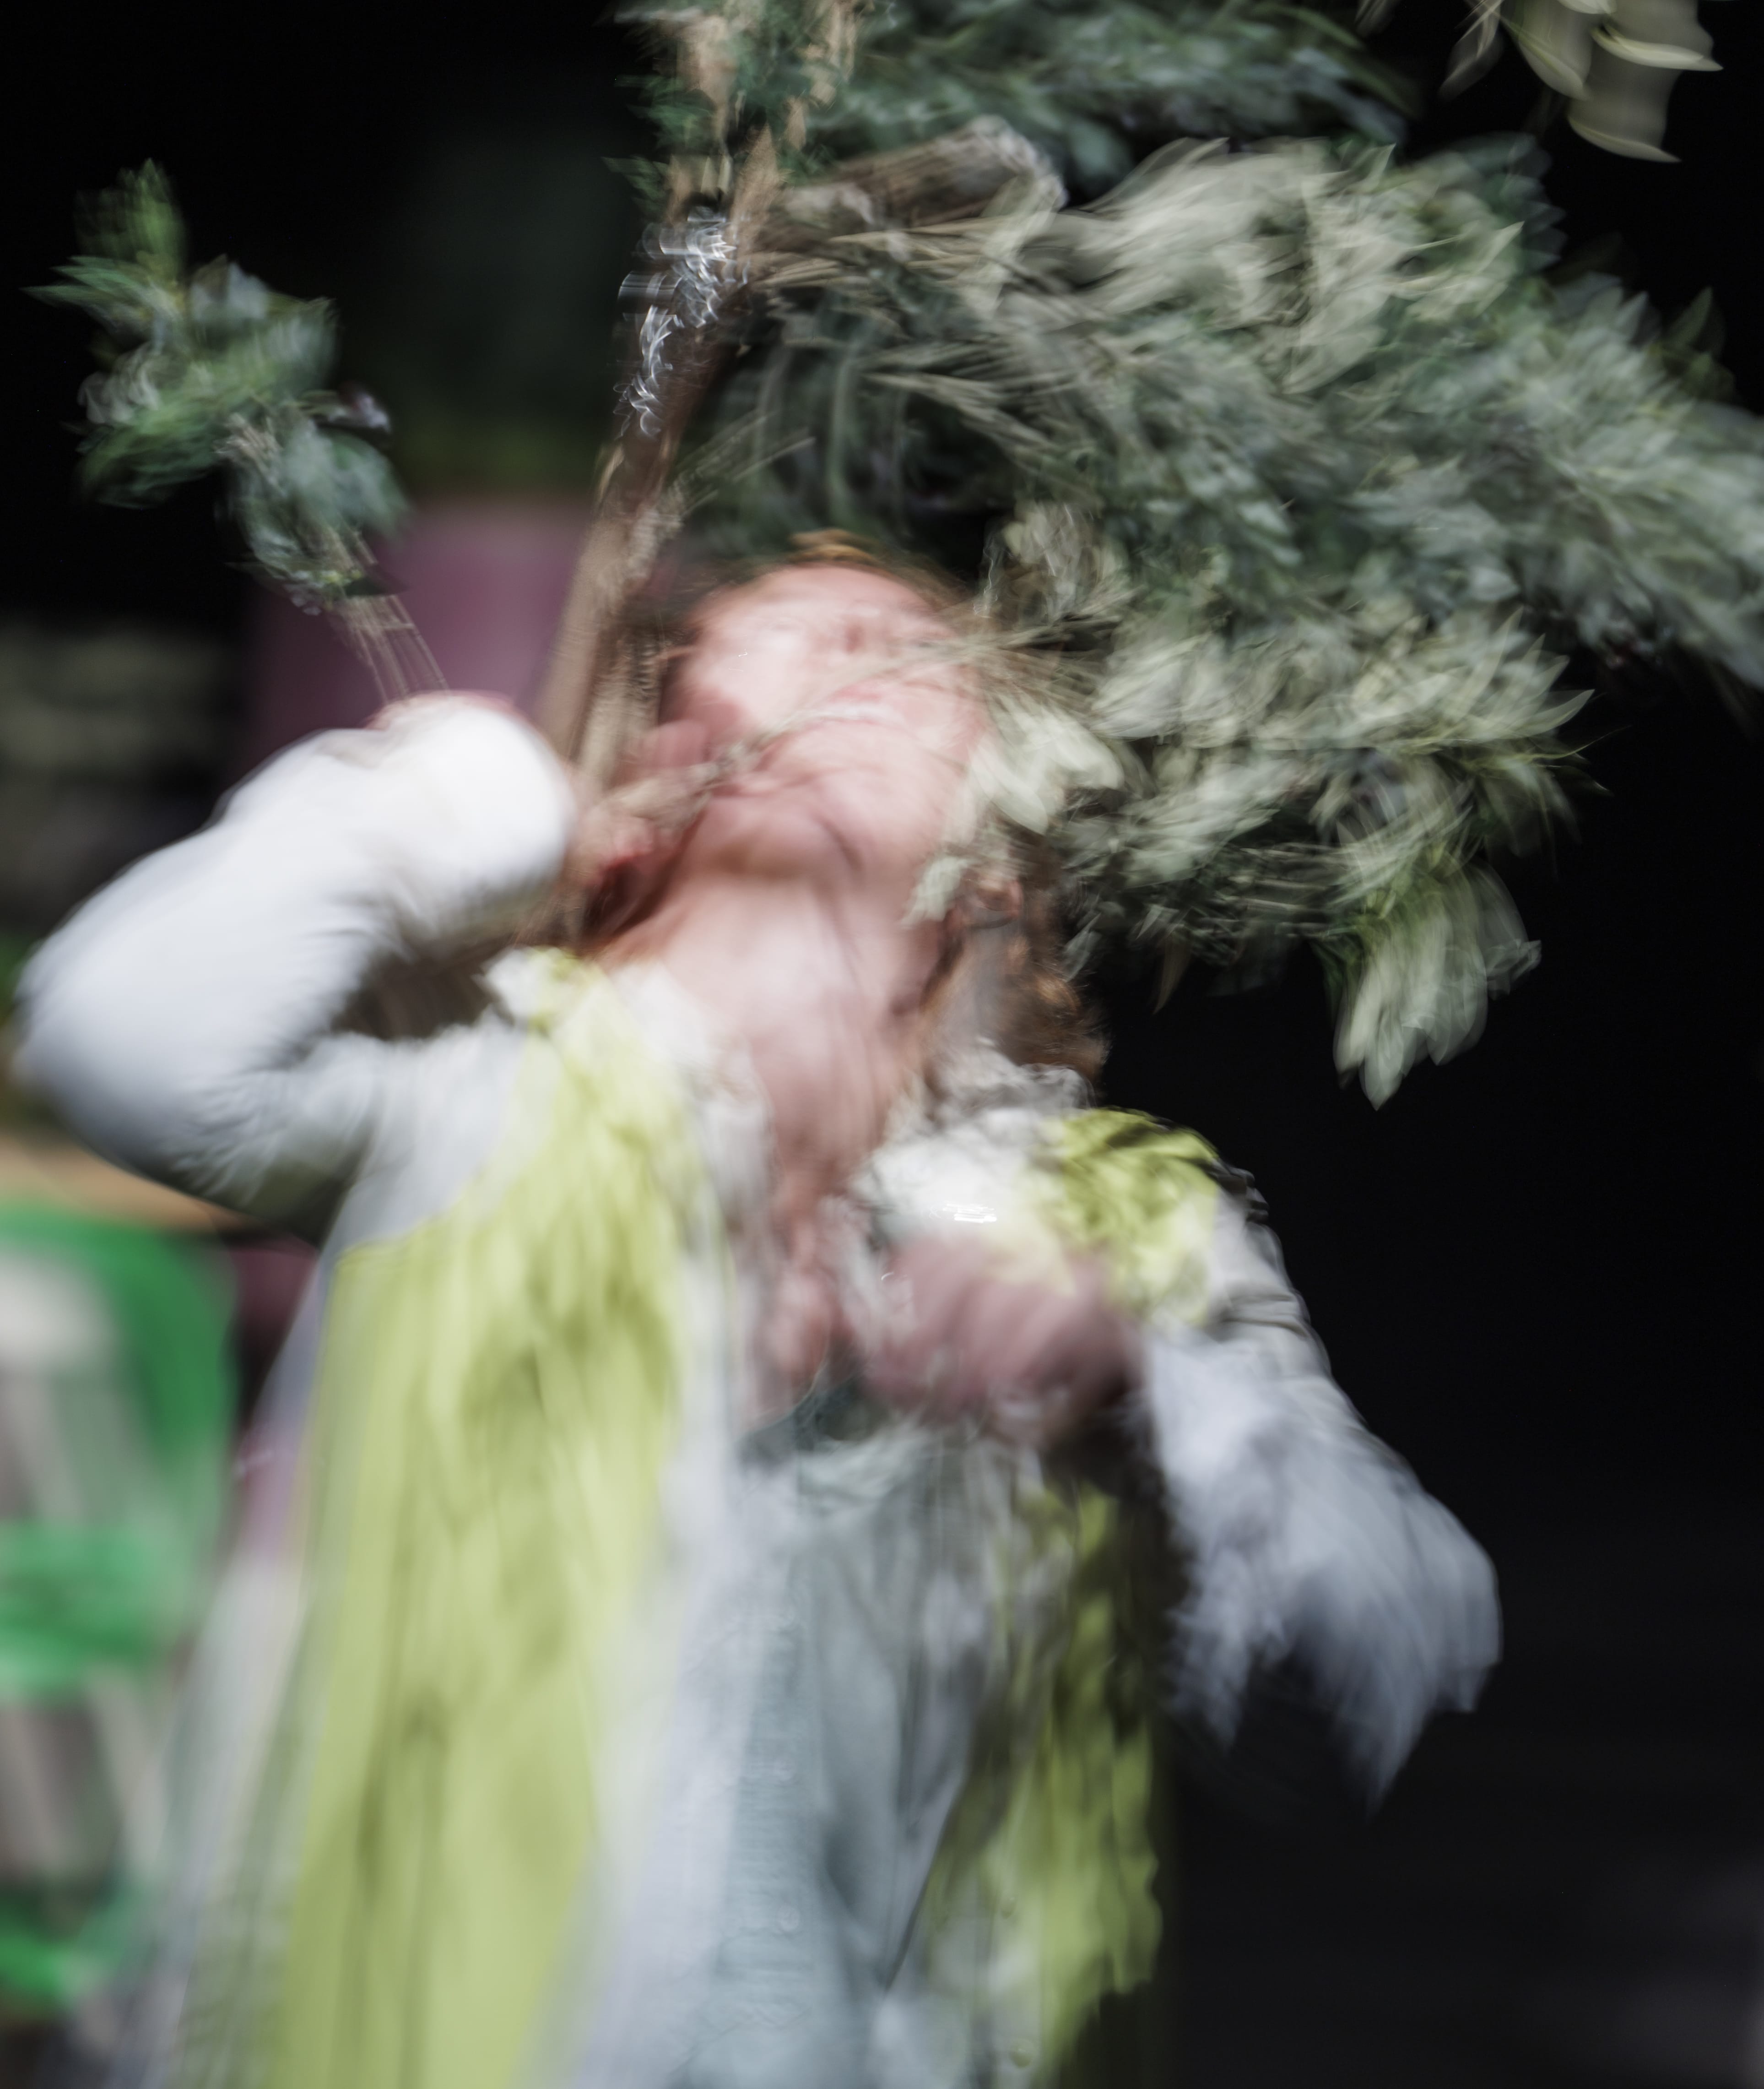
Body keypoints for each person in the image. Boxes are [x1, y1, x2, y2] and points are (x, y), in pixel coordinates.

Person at [17, 550, 1498, 2089]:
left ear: (999, 848)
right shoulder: (476, 1090)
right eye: (758, 649)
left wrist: (1134, 1388)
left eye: (886, 651)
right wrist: (458, 797)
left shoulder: (1117, 1221)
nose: (826, 682)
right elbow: (122, 1035)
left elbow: (1369, 1667)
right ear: (669, 767)